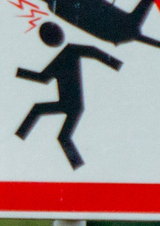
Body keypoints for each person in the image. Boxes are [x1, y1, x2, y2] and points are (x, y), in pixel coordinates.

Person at [14, 21, 120, 169]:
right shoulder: (64, 55)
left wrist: (116, 64)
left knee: (61, 135)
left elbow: (93, 51)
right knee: (59, 132)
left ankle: (78, 166)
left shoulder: (70, 51)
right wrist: (17, 71)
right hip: (70, 104)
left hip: (73, 105)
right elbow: (43, 78)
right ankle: (17, 139)